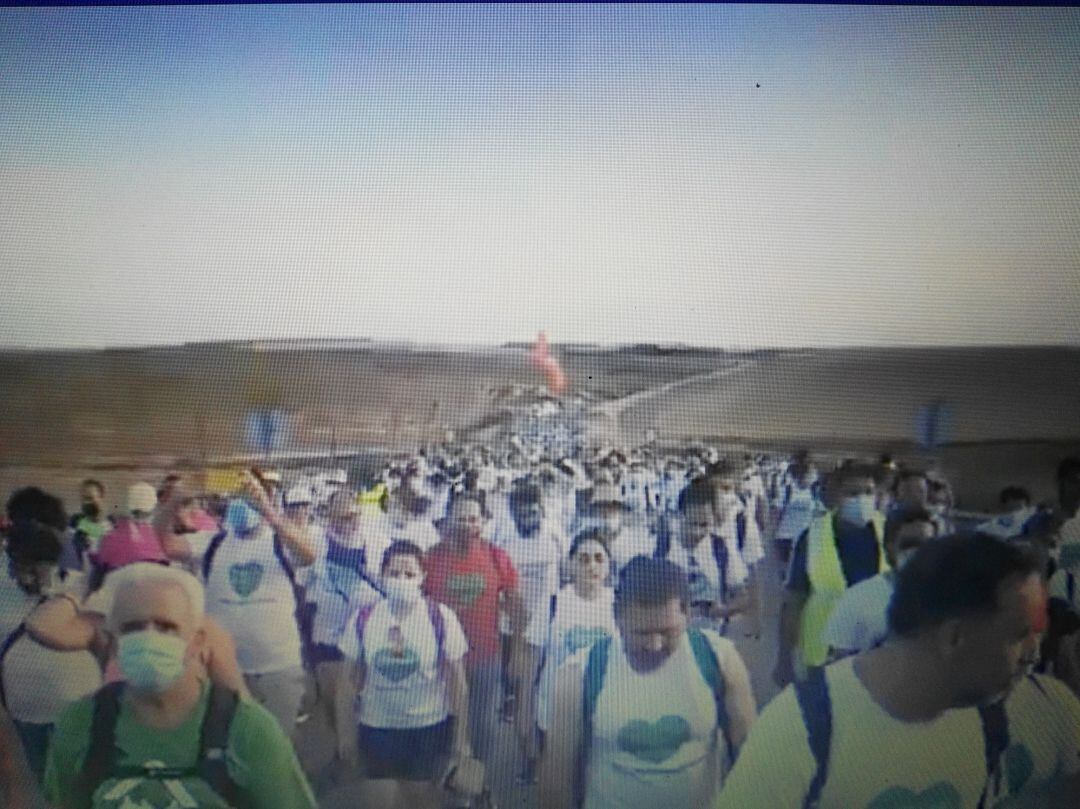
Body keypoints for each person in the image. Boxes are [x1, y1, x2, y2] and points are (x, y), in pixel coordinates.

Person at [718, 535, 1080, 808]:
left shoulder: (1044, 711)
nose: (1034, 654)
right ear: (954, 638)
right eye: (1018, 635)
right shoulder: (802, 726)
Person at [43, 563, 317, 809]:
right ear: (113, 643)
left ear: (197, 642)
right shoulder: (81, 724)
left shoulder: (248, 731)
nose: (149, 638)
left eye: (166, 627)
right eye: (132, 628)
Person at [539, 557, 755, 809]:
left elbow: (750, 755)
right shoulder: (579, 673)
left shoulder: (719, 659)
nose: (655, 645)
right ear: (617, 618)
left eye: (667, 632)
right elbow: (556, 778)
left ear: (687, 614)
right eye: (642, 633)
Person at [335, 541, 471, 809]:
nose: (401, 580)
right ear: (382, 576)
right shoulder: (364, 618)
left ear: (423, 578)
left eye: (409, 574)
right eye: (394, 573)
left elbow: (458, 682)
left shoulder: (440, 617)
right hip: (377, 728)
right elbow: (344, 682)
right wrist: (345, 734)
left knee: (419, 801)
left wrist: (461, 740)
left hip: (427, 729)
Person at [201, 472, 316, 735]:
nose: (242, 505)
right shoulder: (214, 544)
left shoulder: (279, 542)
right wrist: (174, 501)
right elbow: (168, 544)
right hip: (227, 670)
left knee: (277, 744)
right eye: (237, 498)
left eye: (249, 499)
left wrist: (270, 513)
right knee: (231, 742)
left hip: (278, 669)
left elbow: (308, 555)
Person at [1, 488, 102, 783]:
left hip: (75, 707)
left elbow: (97, 634)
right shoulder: (81, 580)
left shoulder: (80, 581)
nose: (33, 575)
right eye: (24, 564)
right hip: (28, 712)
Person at [423, 493, 525, 770]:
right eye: (460, 518)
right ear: (447, 521)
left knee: (482, 729)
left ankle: (479, 787)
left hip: (485, 659)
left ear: (482, 522)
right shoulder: (429, 559)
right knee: (445, 729)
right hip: (443, 663)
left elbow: (517, 608)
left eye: (473, 519)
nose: (467, 525)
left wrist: (516, 653)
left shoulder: (496, 556)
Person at [776, 462, 888, 685]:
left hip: (878, 653)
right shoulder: (813, 537)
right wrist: (785, 658)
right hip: (824, 654)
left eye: (868, 492)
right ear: (837, 496)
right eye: (853, 493)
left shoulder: (889, 532)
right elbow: (794, 600)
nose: (862, 499)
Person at [493, 481, 567, 779]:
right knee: (524, 696)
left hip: (551, 626)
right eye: (522, 514)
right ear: (513, 512)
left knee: (551, 698)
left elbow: (564, 576)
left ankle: (553, 758)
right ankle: (530, 760)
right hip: (516, 629)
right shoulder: (503, 539)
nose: (529, 519)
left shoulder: (555, 534)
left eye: (533, 512)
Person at [303, 490, 387, 731]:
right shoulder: (316, 543)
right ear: (329, 517)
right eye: (342, 518)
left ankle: (358, 752)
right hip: (328, 636)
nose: (350, 522)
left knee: (361, 702)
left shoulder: (376, 542)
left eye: (353, 515)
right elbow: (302, 581)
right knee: (333, 701)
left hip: (366, 637)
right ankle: (342, 752)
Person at [822, 508, 937, 660]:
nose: (919, 552)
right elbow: (836, 668)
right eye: (909, 545)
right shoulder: (857, 599)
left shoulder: (951, 602)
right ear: (889, 548)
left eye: (927, 545)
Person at [535, 530, 616, 743]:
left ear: (608, 565)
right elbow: (529, 655)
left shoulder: (620, 605)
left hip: (603, 714)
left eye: (599, 559)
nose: (592, 566)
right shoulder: (553, 603)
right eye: (583, 559)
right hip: (556, 711)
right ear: (570, 565)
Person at [655, 478, 748, 635]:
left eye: (704, 525)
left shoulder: (722, 548)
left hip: (709, 641)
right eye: (692, 523)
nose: (697, 532)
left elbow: (742, 597)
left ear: (714, 520)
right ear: (679, 516)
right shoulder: (661, 547)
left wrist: (721, 611)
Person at [68, 479, 112, 568]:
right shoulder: (74, 524)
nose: (86, 503)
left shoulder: (112, 527)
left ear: (101, 498)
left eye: (90, 498)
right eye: (83, 498)